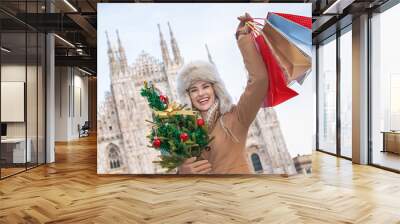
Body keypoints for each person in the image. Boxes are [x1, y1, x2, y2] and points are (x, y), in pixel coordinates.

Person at [176, 13, 268, 174]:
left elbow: (259, 80)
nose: (201, 93)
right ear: (188, 96)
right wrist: (181, 173)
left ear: (214, 88)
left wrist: (243, 38)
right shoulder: (185, 133)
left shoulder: (236, 116)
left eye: (205, 86)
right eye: (193, 90)